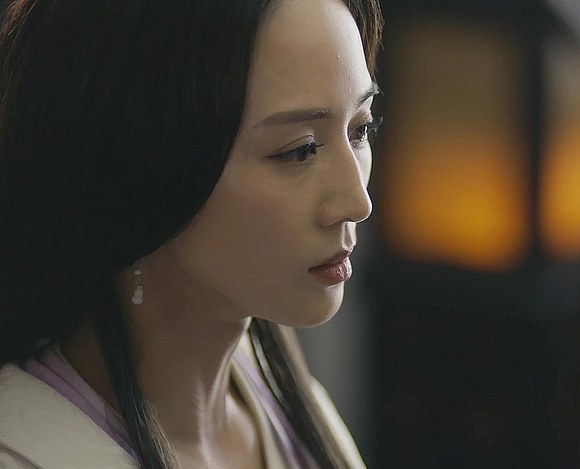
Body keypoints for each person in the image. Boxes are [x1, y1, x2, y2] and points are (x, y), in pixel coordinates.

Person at [0, 0, 382, 467]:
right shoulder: (27, 452)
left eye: (361, 129)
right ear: (140, 164)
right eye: (299, 150)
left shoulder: (283, 402)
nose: (357, 203)